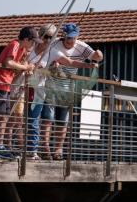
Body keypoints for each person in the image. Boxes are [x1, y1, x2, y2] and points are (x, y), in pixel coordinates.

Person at [26, 23, 101, 160]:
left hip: (66, 89)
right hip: (46, 87)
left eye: (73, 38)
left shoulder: (80, 46)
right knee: (46, 119)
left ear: (77, 37)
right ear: (62, 37)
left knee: (62, 120)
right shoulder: (53, 44)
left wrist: (93, 61)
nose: (70, 41)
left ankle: (56, 150)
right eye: (68, 38)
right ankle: (44, 149)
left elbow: (77, 61)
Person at [0, 26, 40, 158]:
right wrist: (25, 67)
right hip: (0, 82)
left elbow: (15, 67)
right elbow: (8, 62)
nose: (33, 44)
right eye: (33, 41)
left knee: (5, 115)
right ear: (26, 39)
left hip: (6, 84)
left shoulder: (22, 49)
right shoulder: (15, 44)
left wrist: (26, 69)